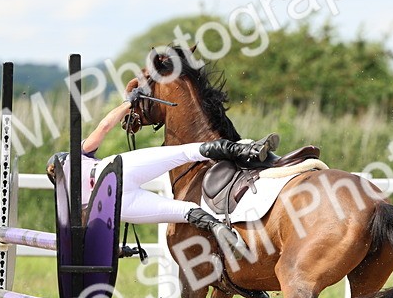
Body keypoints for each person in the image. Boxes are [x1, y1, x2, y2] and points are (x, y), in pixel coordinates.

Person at [48, 99, 278, 257]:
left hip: (118, 205)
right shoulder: (73, 158)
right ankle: (247, 151)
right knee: (185, 152)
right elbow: (105, 126)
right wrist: (130, 102)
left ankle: (224, 233)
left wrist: (119, 250)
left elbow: (94, 230)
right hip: (114, 171)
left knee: (186, 211)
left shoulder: (69, 201)